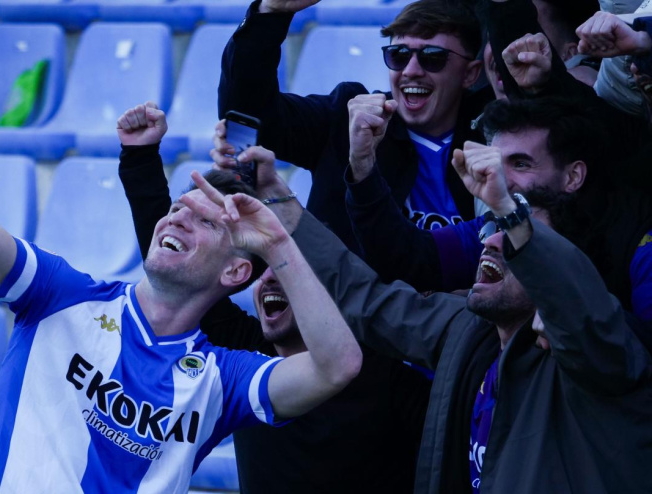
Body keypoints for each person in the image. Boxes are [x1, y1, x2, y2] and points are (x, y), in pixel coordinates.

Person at [0, 40, 362, 494]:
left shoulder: (222, 378)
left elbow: (337, 367)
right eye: (178, 207)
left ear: (236, 273)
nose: (178, 216)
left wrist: (278, 239)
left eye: (204, 220)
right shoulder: (59, 295)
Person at [277, 134, 652, 493]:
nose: (489, 241)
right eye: (491, 226)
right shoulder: (466, 331)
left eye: (513, 234)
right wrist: (281, 207)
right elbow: (365, 298)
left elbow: (582, 314)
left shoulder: (599, 354)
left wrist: (508, 208)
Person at [117, 102, 431, 493]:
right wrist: (140, 155)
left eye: (286, 265)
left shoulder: (391, 379)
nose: (270, 278)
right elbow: (177, 255)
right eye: (263, 265)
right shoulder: (244, 353)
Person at [341, 96, 652, 323]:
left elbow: (640, 359)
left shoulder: (639, 245)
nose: (498, 177)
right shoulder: (494, 226)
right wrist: (363, 164)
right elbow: (407, 258)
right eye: (495, 161)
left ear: (573, 176)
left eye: (520, 164)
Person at [218, 0, 490, 253]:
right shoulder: (345, 119)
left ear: (470, 73)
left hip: (458, 304)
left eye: (433, 57)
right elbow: (247, 116)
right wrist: (270, 13)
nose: (411, 70)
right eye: (399, 55)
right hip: (345, 303)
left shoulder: (494, 134)